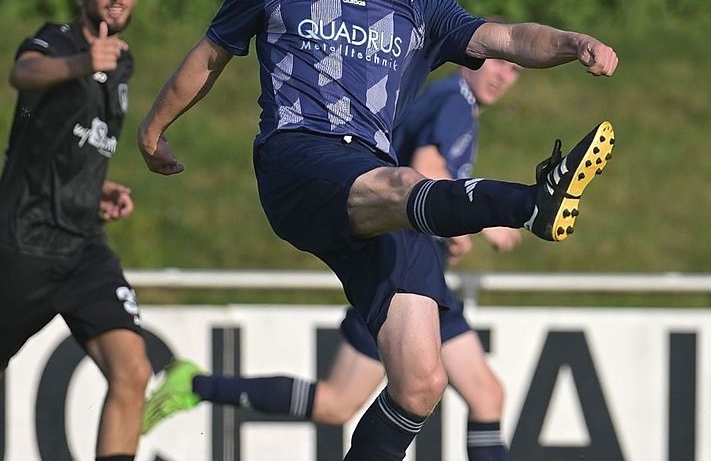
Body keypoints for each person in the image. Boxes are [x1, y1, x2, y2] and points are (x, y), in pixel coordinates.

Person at [137, 0, 617, 461]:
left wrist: (573, 42)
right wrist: (153, 129)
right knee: (401, 182)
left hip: (380, 194)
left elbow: (510, 37)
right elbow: (210, 56)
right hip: (300, 163)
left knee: (422, 383)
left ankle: (531, 202)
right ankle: (532, 201)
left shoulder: (420, 6)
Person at [140, 59, 524, 461]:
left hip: (423, 273)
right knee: (337, 404)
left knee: (485, 395)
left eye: (515, 71)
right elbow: (427, 168)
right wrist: (476, 222)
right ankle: (196, 384)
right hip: (401, 274)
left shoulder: (454, 103)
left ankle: (197, 384)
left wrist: (449, 231)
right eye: (498, 62)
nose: (503, 76)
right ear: (473, 60)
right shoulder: (455, 100)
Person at [0, 0, 152, 461]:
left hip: (84, 246)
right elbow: (24, 72)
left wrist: (97, 185)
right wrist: (83, 62)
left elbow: (77, 141)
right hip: (25, 242)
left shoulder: (123, 64)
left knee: (133, 370)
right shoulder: (60, 42)